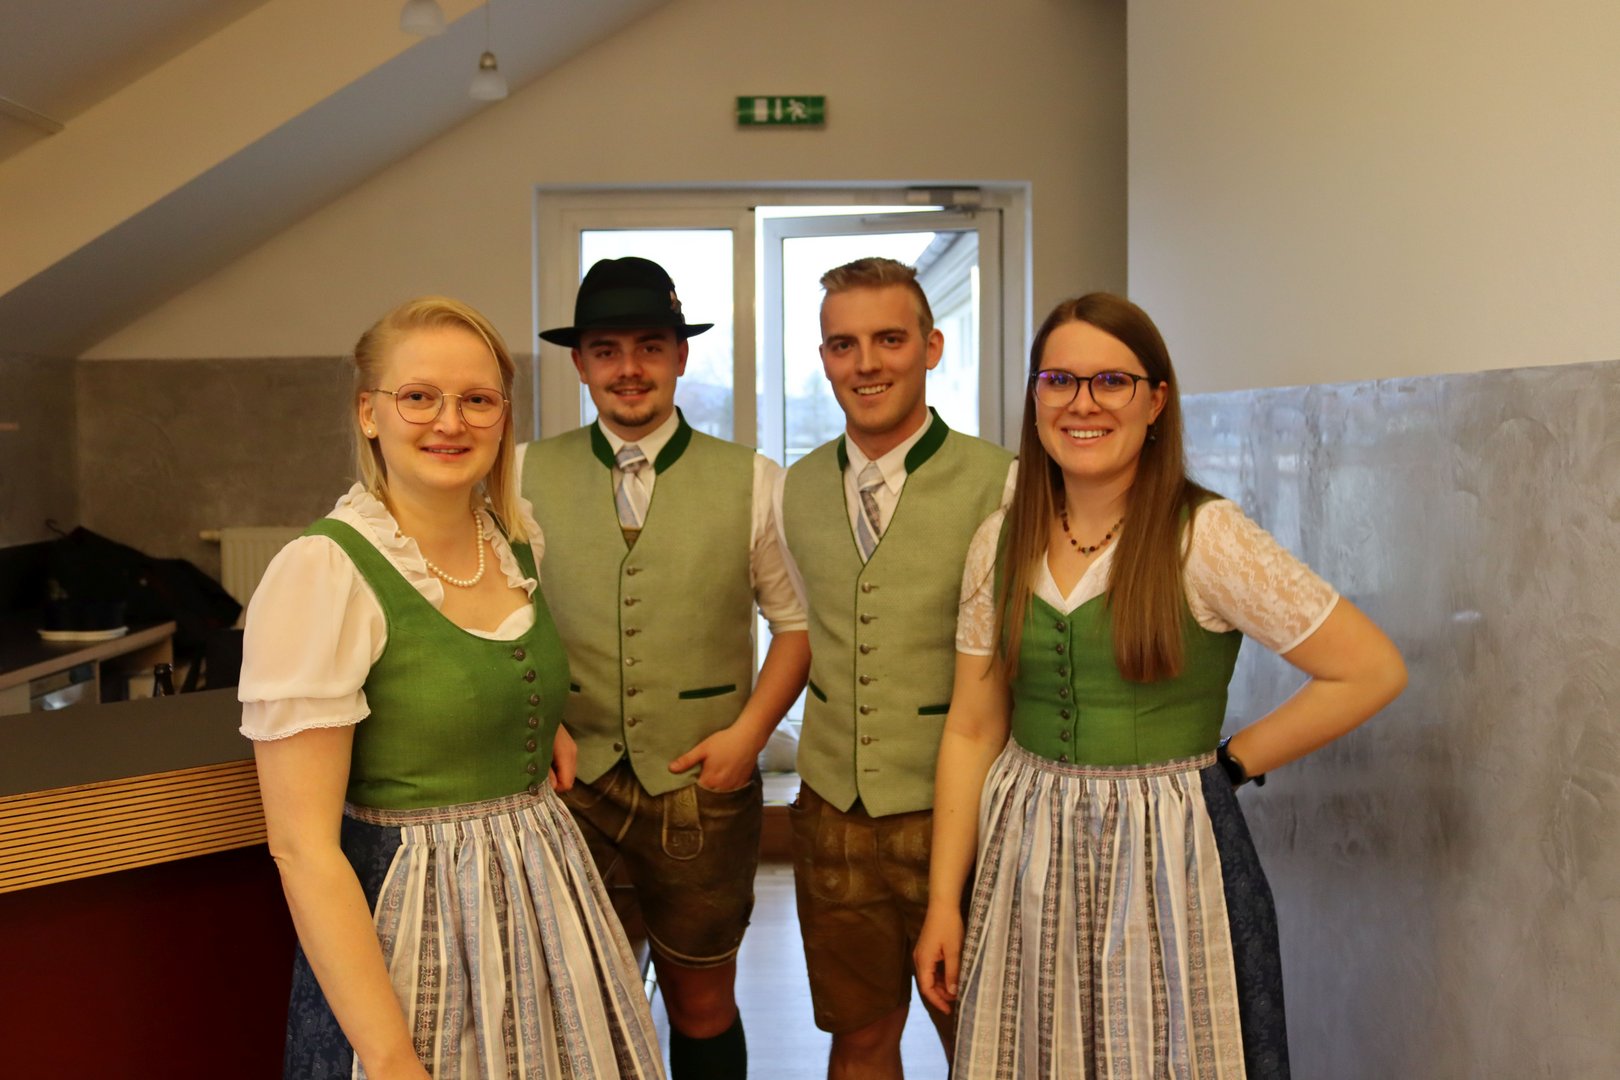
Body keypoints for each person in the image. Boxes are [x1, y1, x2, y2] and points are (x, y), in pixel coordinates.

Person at [913, 293, 1409, 1078]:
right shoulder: (998, 540)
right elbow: (973, 728)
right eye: (1058, 380)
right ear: (1035, 398)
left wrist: (1232, 764)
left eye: (1112, 381)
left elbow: (1370, 668)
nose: (1082, 403)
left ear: (1155, 401)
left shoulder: (1205, 536)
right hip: (1025, 854)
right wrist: (945, 900)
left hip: (1166, 852)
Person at [240, 297, 664, 1079]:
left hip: (546, 891)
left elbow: (479, 673)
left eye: (477, 399)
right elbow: (302, 850)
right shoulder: (323, 572)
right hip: (417, 919)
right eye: (418, 396)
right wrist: (389, 1055)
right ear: (368, 413)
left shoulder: (510, 536)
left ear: (503, 417)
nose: (450, 422)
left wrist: (531, 723)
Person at [519, 257, 810, 1080]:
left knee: (702, 998)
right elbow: (496, 618)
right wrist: (537, 727)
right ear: (579, 364)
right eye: (606, 350)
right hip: (568, 785)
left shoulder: (753, 480)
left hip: (699, 785)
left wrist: (747, 739)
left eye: (650, 346)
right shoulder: (519, 473)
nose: (629, 368)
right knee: (578, 995)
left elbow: (796, 626)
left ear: (681, 356)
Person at [777, 256, 1016, 1079]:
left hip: (964, 813)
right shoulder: (795, 487)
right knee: (858, 1036)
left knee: (980, 1043)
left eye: (889, 339)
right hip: (833, 812)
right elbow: (812, 624)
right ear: (824, 358)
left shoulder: (1004, 482)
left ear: (931, 347)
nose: (866, 363)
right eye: (843, 345)